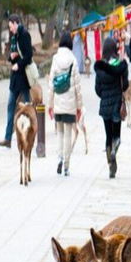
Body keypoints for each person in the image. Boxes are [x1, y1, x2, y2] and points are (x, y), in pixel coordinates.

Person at [48, 31, 83, 176]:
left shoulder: (55, 59)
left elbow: (51, 84)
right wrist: (79, 107)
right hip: (70, 104)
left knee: (60, 133)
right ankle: (67, 166)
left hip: (58, 101)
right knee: (68, 133)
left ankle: (59, 158)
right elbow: (77, 86)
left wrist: (50, 105)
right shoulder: (73, 60)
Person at [95, 37, 129, 179]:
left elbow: (98, 89)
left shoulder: (101, 66)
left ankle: (110, 164)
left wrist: (104, 95)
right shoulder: (120, 65)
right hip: (117, 103)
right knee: (117, 135)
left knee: (108, 135)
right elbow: (125, 85)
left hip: (105, 106)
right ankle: (115, 148)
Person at [0, 14, 33, 148]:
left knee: (27, 107)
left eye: (11, 26)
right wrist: (12, 57)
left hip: (23, 77)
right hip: (15, 77)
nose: (10, 29)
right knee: (10, 106)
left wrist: (19, 63)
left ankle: (30, 135)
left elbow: (29, 55)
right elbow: (14, 54)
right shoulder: (14, 37)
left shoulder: (24, 35)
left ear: (16, 23)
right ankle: (8, 138)